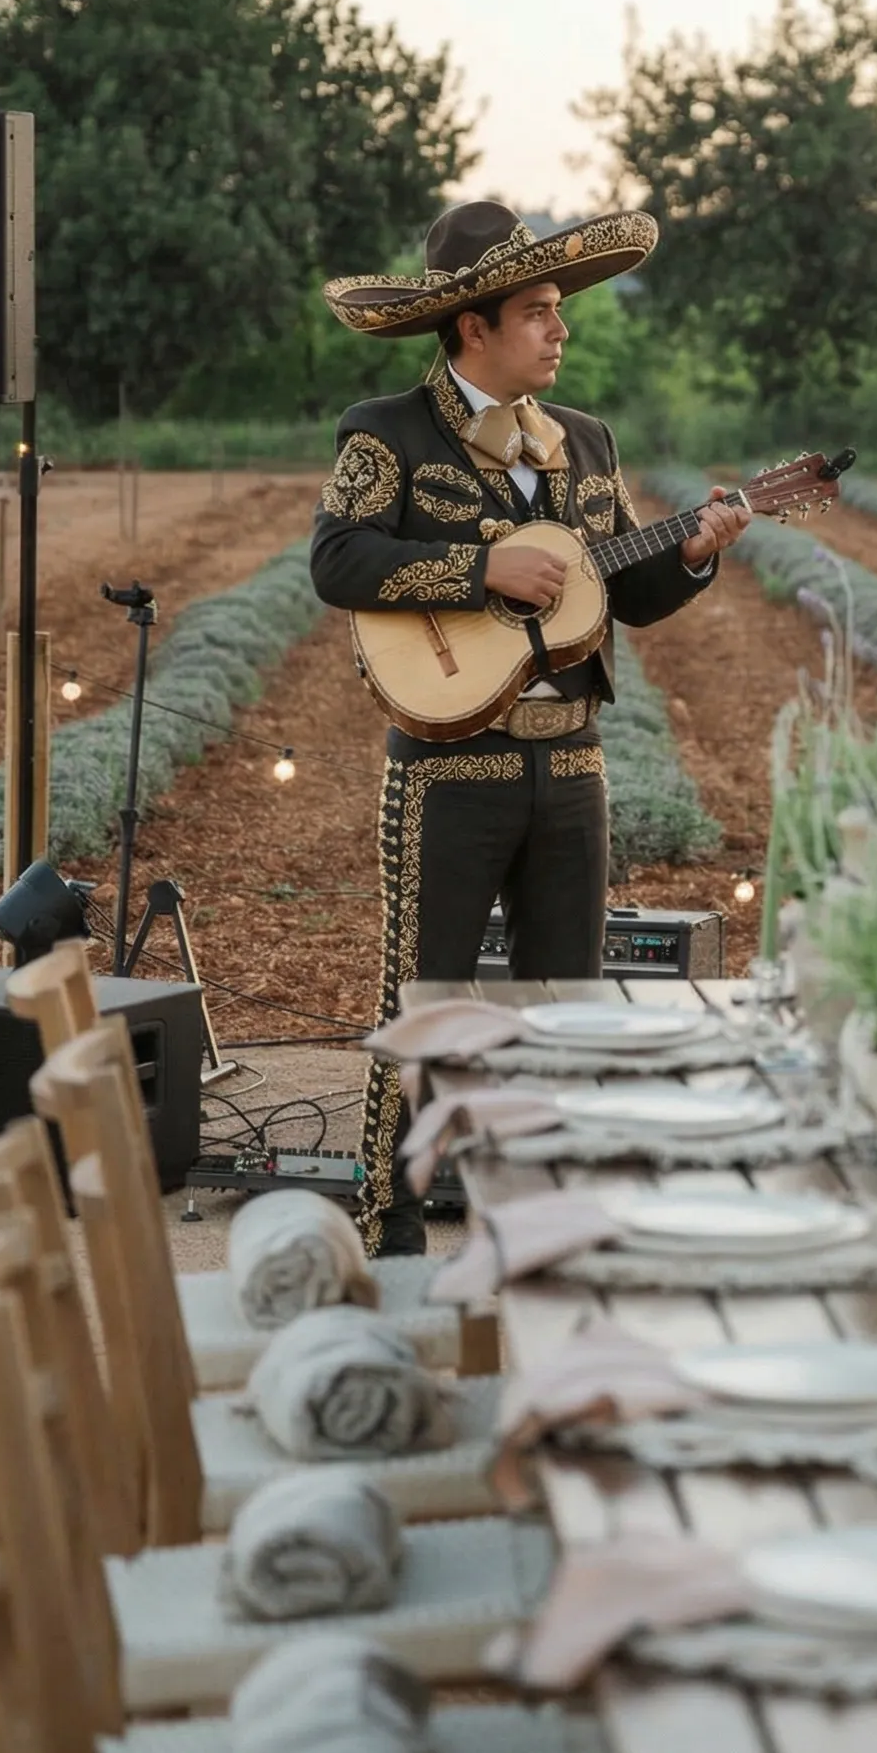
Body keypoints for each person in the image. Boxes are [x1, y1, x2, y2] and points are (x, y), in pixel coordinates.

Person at [312, 201, 749, 1251]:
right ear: (473, 327)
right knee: (426, 999)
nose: (562, 329)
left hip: (572, 763)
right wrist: (480, 569)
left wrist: (694, 551)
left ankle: (554, 1224)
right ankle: (396, 1226)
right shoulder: (387, 432)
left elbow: (619, 597)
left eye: (560, 310)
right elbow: (337, 560)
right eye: (540, 311)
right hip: (448, 768)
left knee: (572, 1008)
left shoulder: (585, 443)